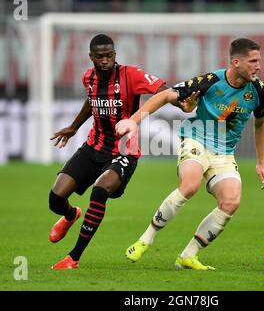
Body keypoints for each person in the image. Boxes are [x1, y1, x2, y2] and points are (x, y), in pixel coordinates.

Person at [116, 37, 264, 271]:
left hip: (224, 152)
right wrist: (133, 121)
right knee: (190, 185)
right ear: (236, 62)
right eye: (253, 61)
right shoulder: (210, 81)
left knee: (231, 201)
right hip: (197, 138)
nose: (258, 66)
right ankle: (145, 239)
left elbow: (261, 123)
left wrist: (261, 162)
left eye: (259, 61)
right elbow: (165, 95)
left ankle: (188, 256)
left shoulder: (259, 91)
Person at [48, 34, 196, 269]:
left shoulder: (131, 75)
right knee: (55, 198)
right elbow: (91, 101)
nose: (105, 60)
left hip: (123, 151)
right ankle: (70, 215)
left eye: (109, 56)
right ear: (91, 58)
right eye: (100, 57)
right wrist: (74, 127)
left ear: (115, 55)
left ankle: (73, 258)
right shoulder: (88, 77)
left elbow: (163, 90)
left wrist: (182, 103)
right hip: (92, 147)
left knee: (99, 191)